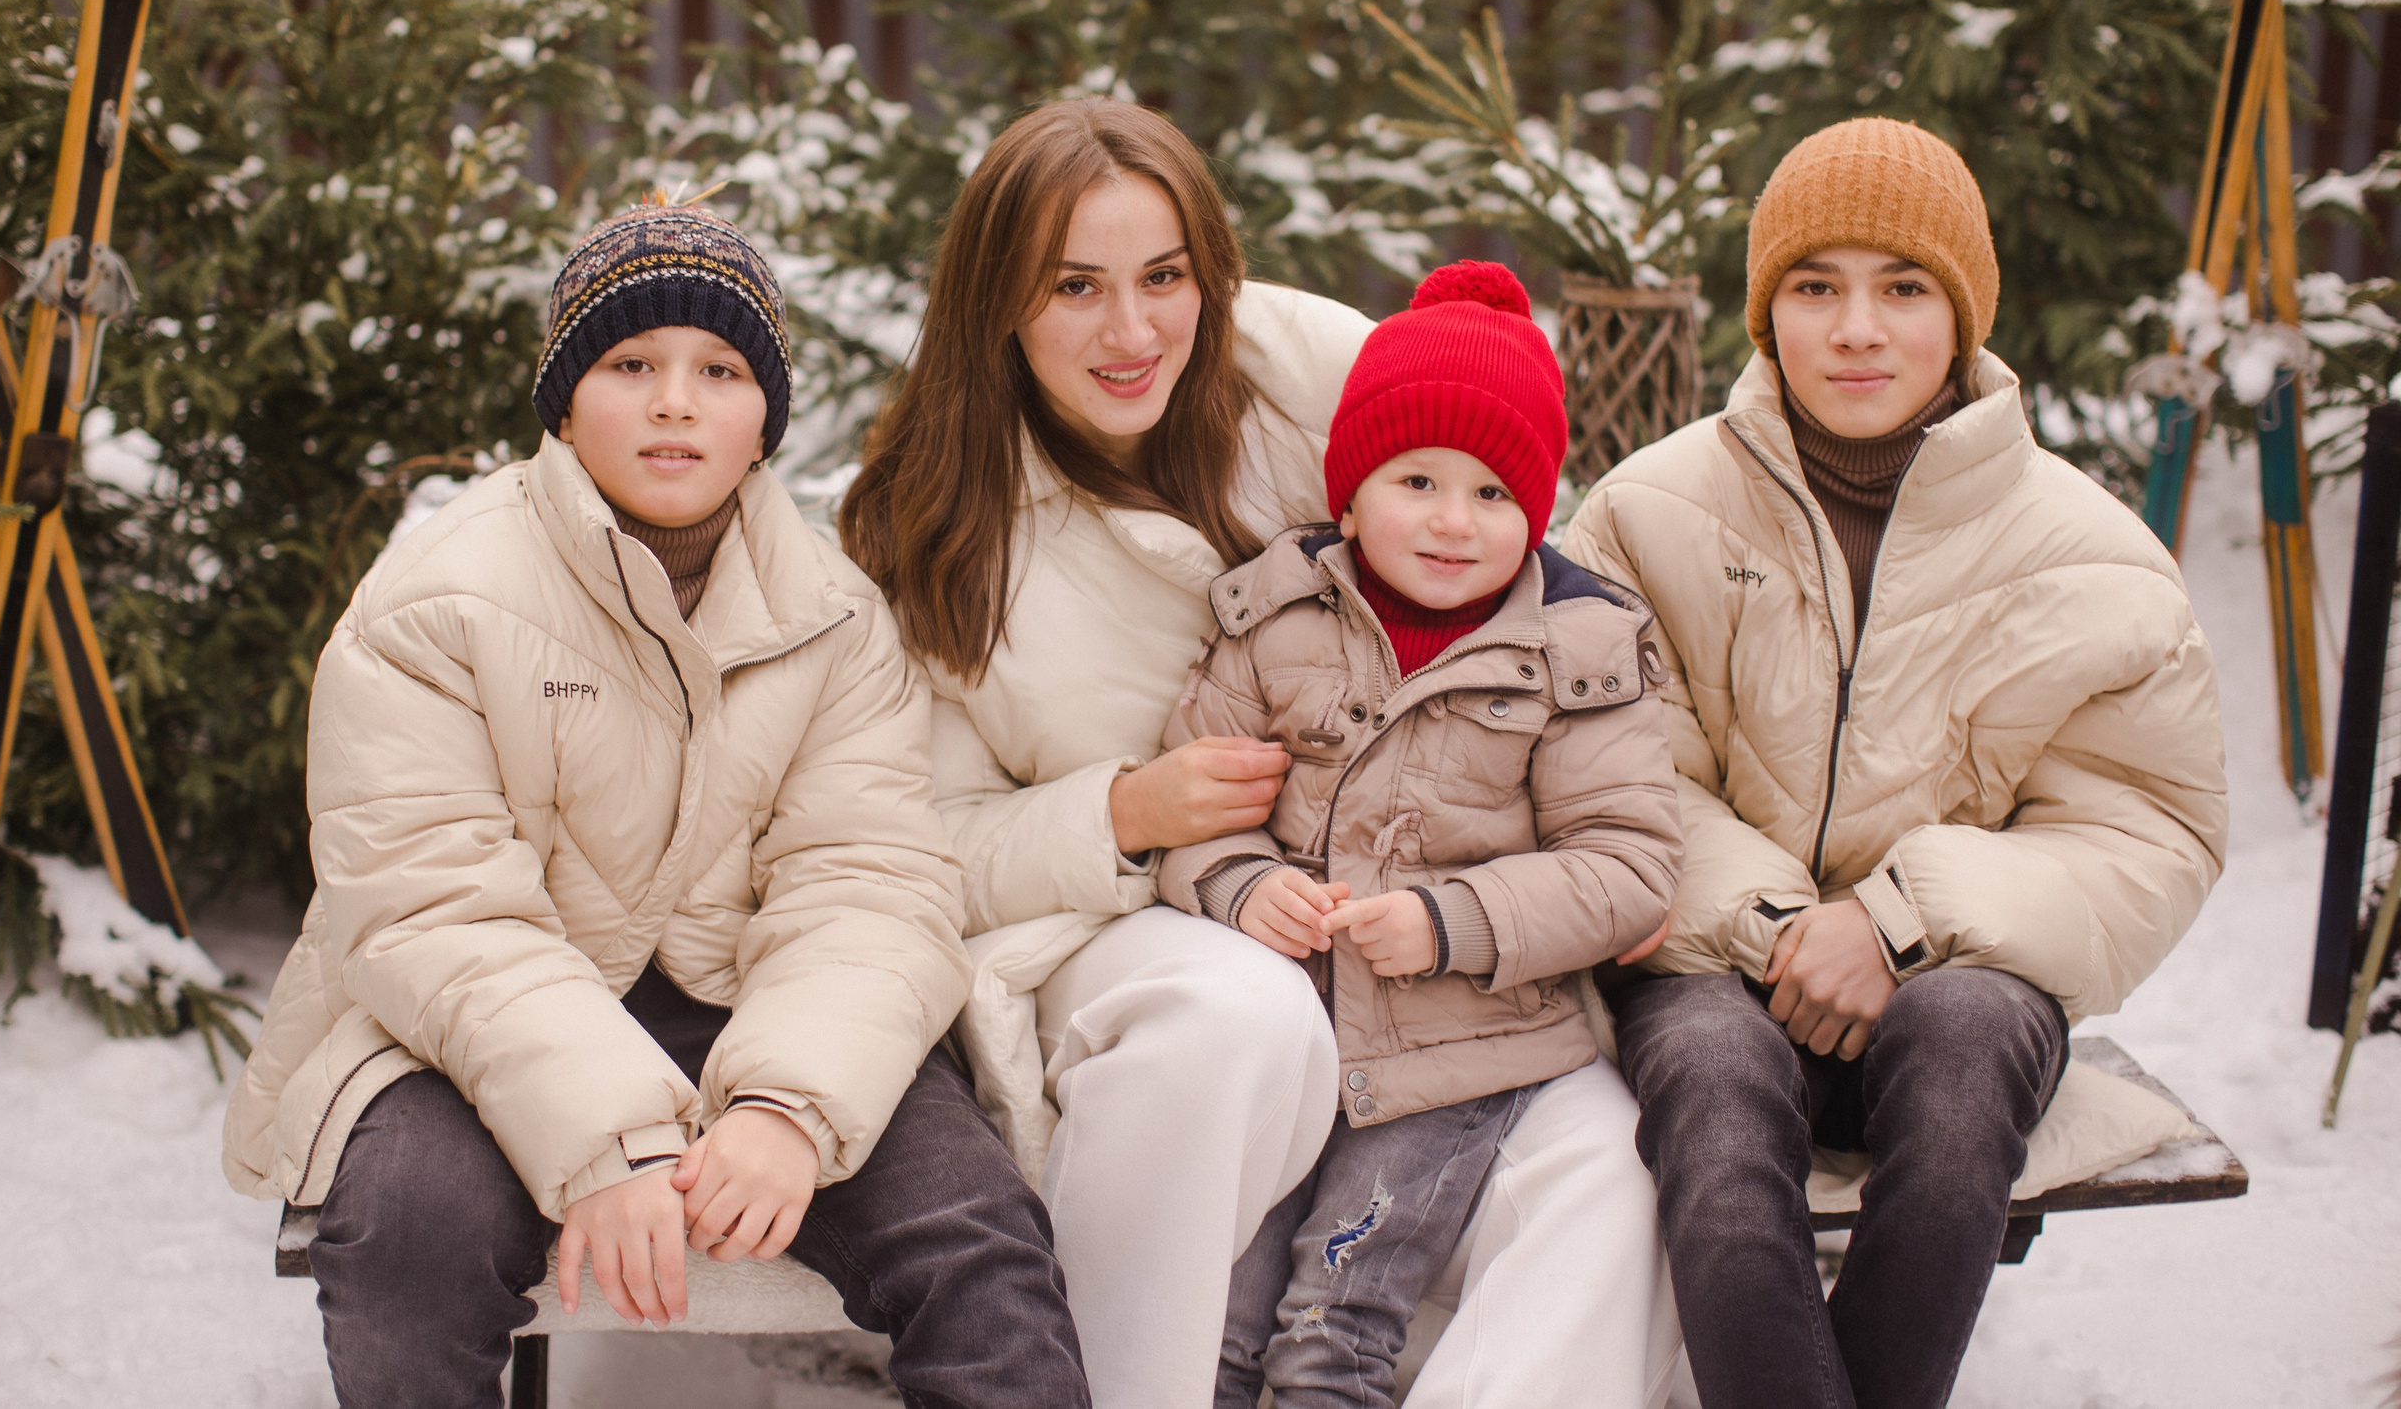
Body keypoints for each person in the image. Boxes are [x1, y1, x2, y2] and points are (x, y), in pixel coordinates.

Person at [841, 98, 1683, 1408]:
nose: (1133, 332)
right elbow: (905, 836)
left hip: (1430, 912)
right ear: (996, 300)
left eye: (1164, 277)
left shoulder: (1312, 365)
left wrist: (1570, 845)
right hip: (1132, 913)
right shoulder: (937, 523)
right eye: (1075, 287)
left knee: (1608, 1161)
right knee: (1237, 1017)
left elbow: (1504, 544)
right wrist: (1124, 807)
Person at [221, 204, 1088, 1408]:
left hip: (754, 1001)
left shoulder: (835, 618)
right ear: (566, 401)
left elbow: (872, 884)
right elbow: (429, 905)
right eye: (632, 365)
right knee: (411, 1230)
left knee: (978, 1245)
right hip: (464, 1017)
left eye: (720, 371)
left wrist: (788, 1106)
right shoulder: (437, 599)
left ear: (764, 421)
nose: (676, 402)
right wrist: (608, 1139)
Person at [1562, 118, 2229, 1409]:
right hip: (1713, 962)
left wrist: (1897, 917)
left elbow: (2147, 830)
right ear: (1767, 316)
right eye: (1816, 286)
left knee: (1969, 1044)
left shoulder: (2092, 558)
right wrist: (1774, 926)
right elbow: (1611, 772)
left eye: (1903, 287)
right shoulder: (1650, 514)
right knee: (1709, 1076)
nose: (1858, 328)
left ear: (1965, 314)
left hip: (1958, 978)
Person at [1148, 262, 1685, 1409]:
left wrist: (1454, 921)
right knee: (1219, 1327)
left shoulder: (1579, 656)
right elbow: (1186, 815)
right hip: (1294, 1052)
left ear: (1536, 513)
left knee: (1330, 1326)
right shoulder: (1271, 621)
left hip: (1458, 1061)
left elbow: (1628, 865)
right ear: (1349, 495)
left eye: (1494, 494)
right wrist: (1242, 888)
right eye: (1419, 480)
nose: (1453, 521)